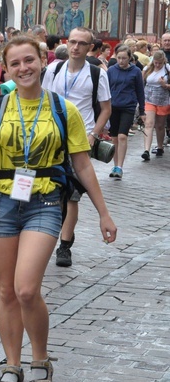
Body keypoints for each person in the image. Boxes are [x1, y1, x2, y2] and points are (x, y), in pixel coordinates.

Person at [0, 35, 117, 382]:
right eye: (15, 64)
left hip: (46, 202)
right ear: (6, 69)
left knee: (26, 289)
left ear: (42, 60)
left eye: (29, 61)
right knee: (6, 291)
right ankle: (12, 365)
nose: (23, 68)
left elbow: (82, 164)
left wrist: (103, 212)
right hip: (1, 203)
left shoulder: (61, 109)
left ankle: (40, 360)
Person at [42, 27, 111, 267]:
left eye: (82, 43)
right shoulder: (54, 69)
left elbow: (106, 108)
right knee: (48, 189)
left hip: (80, 141)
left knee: (72, 195)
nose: (76, 47)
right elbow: (43, 100)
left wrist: (93, 134)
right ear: (66, 42)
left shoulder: (96, 74)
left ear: (90, 47)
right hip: (51, 138)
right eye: (72, 42)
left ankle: (65, 244)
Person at [106, 45, 145, 178]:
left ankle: (119, 167)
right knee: (114, 138)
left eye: (124, 58)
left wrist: (142, 111)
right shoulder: (111, 70)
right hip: (113, 107)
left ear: (130, 58)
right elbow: (105, 89)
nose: (121, 61)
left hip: (128, 107)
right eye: (119, 58)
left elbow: (140, 91)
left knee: (122, 136)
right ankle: (115, 165)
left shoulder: (136, 71)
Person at [141, 51, 170, 161]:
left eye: (160, 63)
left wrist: (165, 85)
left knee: (160, 126)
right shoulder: (149, 67)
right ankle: (146, 150)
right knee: (149, 124)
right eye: (156, 62)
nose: (157, 65)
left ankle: (160, 146)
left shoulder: (167, 68)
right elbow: (140, 80)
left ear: (164, 61)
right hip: (149, 98)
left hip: (163, 99)